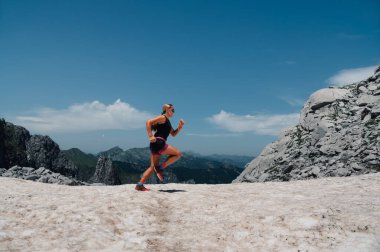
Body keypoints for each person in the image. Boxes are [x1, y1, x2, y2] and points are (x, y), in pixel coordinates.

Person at [135, 104, 185, 191]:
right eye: (172, 110)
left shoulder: (167, 122)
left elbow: (173, 134)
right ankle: (161, 168)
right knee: (178, 154)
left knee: (152, 167)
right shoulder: (163, 118)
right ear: (167, 109)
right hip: (159, 142)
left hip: (155, 144)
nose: (174, 112)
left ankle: (139, 184)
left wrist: (179, 128)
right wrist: (150, 136)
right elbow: (148, 122)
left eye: (174, 111)